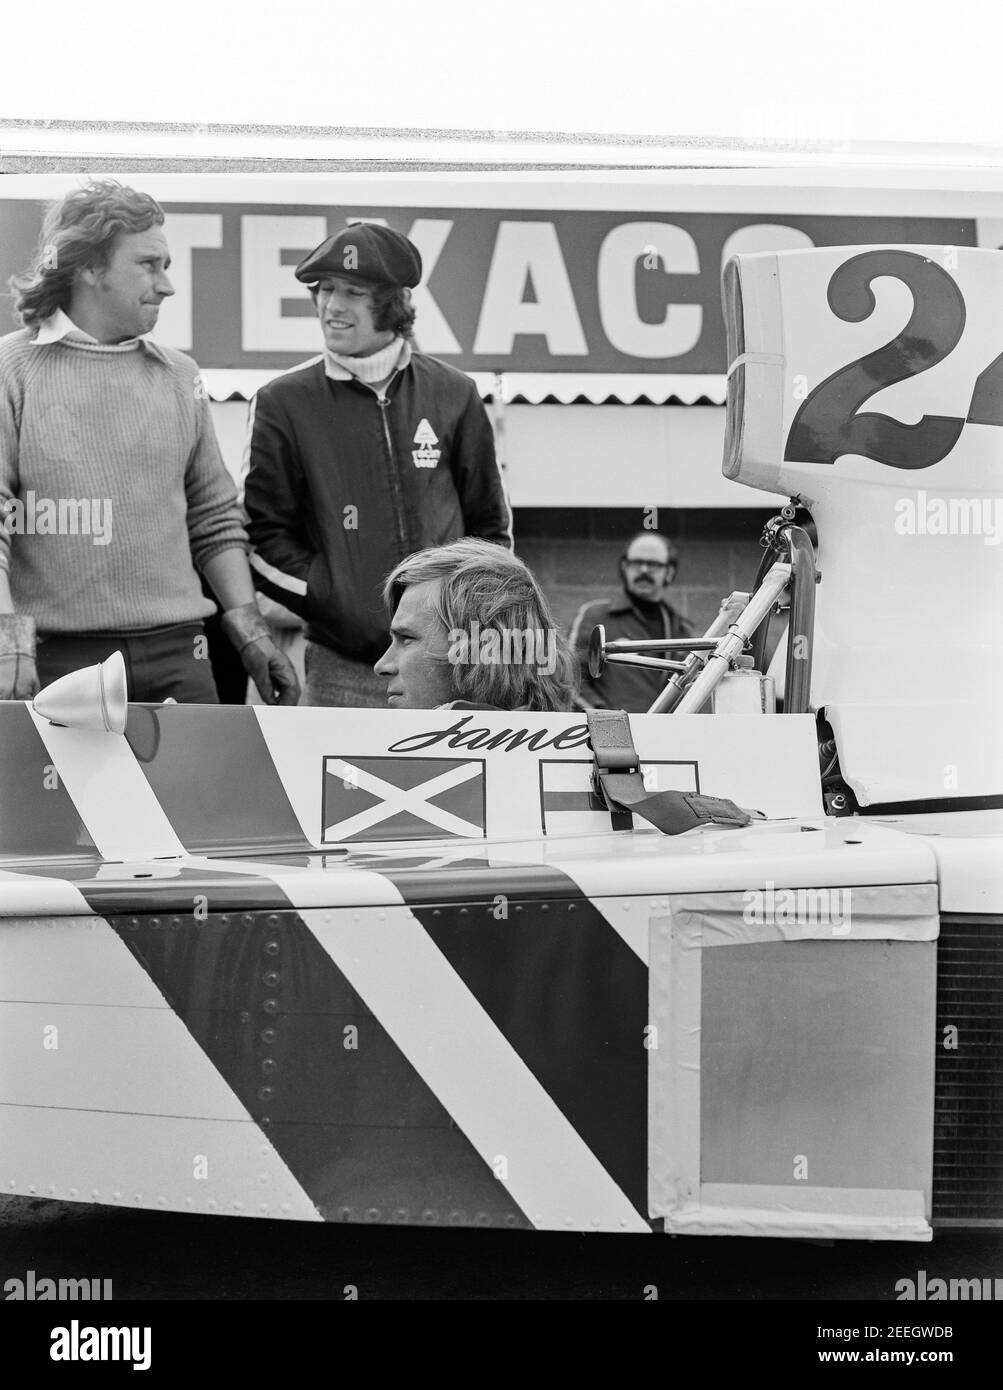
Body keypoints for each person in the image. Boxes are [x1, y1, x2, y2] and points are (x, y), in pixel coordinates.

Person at [0, 179, 298, 706]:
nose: (167, 285)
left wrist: (253, 634)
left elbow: (214, 518)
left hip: (181, 652)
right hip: (54, 658)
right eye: (149, 264)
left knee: (197, 793)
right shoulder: (12, 370)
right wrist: (7, 643)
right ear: (89, 267)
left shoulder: (179, 375)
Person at [243, 223, 513, 708]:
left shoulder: (455, 393)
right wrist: (333, 599)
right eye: (324, 290)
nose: (332, 306)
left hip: (449, 665)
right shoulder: (282, 402)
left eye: (352, 292)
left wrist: (465, 620)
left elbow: (490, 530)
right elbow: (263, 540)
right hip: (340, 668)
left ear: (392, 303)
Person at [374, 538, 576, 711]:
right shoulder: (568, 750)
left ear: (482, 651)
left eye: (407, 639)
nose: (382, 665)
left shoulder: (589, 751)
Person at [569, 530, 695, 713]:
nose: (644, 570)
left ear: (669, 572)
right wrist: (603, 714)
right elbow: (569, 678)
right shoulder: (596, 616)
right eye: (636, 563)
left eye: (653, 564)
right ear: (624, 567)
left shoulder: (680, 628)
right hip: (609, 736)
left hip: (664, 735)